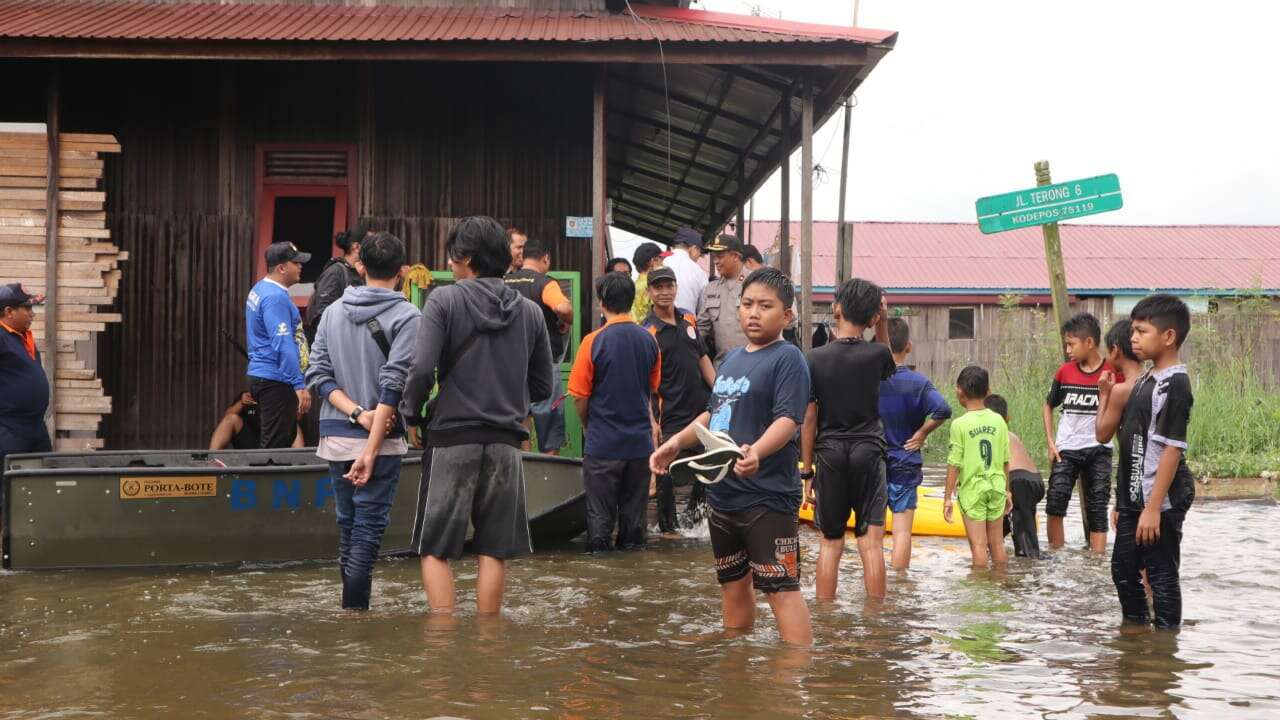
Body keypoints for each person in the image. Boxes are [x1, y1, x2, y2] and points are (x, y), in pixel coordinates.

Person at [650, 267, 813, 646]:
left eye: (766, 306)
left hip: (767, 497)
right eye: (747, 305)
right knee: (733, 586)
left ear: (787, 316)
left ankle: (795, 681)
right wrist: (676, 442)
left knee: (780, 589)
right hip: (724, 496)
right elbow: (714, 413)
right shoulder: (734, 359)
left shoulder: (788, 360)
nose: (754, 313)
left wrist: (757, 450)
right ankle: (736, 671)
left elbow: (789, 419)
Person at [401, 216, 553, 614]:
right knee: (494, 548)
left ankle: (443, 644)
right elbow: (542, 388)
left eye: (453, 258)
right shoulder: (531, 313)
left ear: (466, 258)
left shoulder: (444, 300)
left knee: (435, 547)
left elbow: (420, 370)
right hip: (505, 441)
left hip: (452, 436)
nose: (451, 265)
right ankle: (488, 642)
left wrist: (411, 415)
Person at [306, 232, 420, 610]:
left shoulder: (334, 312)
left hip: (336, 437)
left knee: (349, 529)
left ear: (359, 266)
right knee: (367, 534)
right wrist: (370, 425)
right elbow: (394, 384)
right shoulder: (407, 315)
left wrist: (354, 412)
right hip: (380, 441)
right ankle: (355, 615)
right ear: (403, 271)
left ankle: (350, 613)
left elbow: (319, 377)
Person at [1100, 296, 1195, 629]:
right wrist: (1122, 500)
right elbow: (1129, 441)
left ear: (1168, 337)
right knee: (1123, 570)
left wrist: (1154, 507)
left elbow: (1172, 448)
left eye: (1141, 331)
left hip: (1161, 495)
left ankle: (1165, 645)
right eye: (1132, 331)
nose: (1133, 338)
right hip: (1134, 495)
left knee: (1161, 572)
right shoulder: (1145, 380)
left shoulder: (1174, 383)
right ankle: (1136, 638)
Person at [799, 278, 893, 599]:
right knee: (871, 543)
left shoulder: (813, 358)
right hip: (869, 449)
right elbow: (887, 359)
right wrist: (882, 321)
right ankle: (876, 622)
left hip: (830, 452)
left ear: (837, 309)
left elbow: (809, 418)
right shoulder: (878, 354)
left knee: (830, 542)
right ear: (873, 318)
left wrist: (806, 470)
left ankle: (824, 620)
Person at [569, 272, 661, 552]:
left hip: (603, 445)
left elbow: (579, 397)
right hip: (639, 446)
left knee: (599, 522)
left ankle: (601, 583)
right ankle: (634, 576)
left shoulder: (592, 342)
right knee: (634, 524)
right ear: (632, 301)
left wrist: (588, 425)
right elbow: (652, 390)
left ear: (601, 302)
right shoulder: (649, 340)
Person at [642, 267, 716, 536]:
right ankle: (668, 529)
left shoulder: (688, 319)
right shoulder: (648, 331)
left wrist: (720, 392)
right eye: (658, 287)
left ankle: (695, 521)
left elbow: (703, 358)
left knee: (710, 465)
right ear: (650, 292)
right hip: (668, 411)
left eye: (669, 286)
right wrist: (651, 421)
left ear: (675, 287)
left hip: (700, 410)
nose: (664, 292)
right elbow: (643, 383)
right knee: (665, 471)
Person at [877, 317, 952, 570]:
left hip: (873, 460)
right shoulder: (918, 382)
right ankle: (899, 584)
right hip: (906, 461)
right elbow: (943, 409)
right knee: (901, 532)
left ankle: (874, 587)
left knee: (872, 533)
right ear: (908, 346)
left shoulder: (870, 380)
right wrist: (922, 433)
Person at [1042, 312, 1119, 553]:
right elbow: (1048, 405)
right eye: (1066, 344)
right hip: (1067, 449)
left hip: (1100, 449)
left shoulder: (1112, 373)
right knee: (1055, 504)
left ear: (1089, 342)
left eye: (1071, 343)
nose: (1067, 350)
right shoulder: (1064, 372)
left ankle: (1096, 561)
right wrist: (1051, 442)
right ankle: (1056, 557)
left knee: (1098, 507)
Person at [505, 241, 574, 455]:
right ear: (546, 259)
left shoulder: (504, 281)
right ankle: (548, 473)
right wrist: (566, 319)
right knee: (549, 424)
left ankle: (524, 468)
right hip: (542, 364)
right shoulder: (545, 282)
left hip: (508, 364)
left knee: (521, 418)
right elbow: (562, 307)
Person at [943, 365, 1012, 569]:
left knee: (979, 546)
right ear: (988, 391)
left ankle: (981, 591)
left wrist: (947, 498)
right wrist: (1007, 490)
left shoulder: (960, 424)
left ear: (959, 392)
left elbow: (954, 463)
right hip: (997, 487)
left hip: (973, 490)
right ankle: (1000, 583)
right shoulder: (999, 421)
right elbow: (1006, 460)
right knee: (997, 543)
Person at [246, 241, 313, 448]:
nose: (301, 266)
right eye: (296, 262)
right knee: (274, 448)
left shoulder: (261, 288)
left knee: (283, 436)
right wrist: (298, 384)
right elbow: (283, 343)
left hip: (269, 375)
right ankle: (265, 480)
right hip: (276, 379)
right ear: (282, 268)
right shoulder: (275, 298)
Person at [0, 284, 52, 504]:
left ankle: (36, 536)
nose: (32, 314)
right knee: (8, 493)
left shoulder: (23, 337)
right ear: (9, 311)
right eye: (27, 308)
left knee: (43, 484)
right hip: (10, 429)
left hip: (35, 427)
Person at [985, 394, 1045, 559]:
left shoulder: (992, 434)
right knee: (1006, 524)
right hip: (1035, 481)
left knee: (1026, 545)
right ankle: (991, 549)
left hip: (1018, 482)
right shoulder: (1011, 434)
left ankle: (1028, 567)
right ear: (1008, 418)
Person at [305, 226, 366, 341]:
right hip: (334, 344)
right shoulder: (335, 271)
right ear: (356, 247)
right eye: (370, 244)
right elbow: (322, 313)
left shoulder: (358, 273)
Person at [697, 234, 750, 367]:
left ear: (736, 256)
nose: (716, 261)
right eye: (714, 257)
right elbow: (702, 328)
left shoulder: (756, 282)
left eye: (720, 256)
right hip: (722, 367)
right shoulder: (711, 289)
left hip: (754, 364)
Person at [208, 392, 303, 450]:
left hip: (275, 441)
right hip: (250, 440)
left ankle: (299, 463)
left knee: (294, 425)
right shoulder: (248, 395)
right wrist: (241, 403)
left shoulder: (279, 393)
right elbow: (227, 417)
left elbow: (297, 417)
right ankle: (212, 459)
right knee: (231, 418)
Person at [664, 227, 708, 315]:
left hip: (658, 325)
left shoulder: (661, 264)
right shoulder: (699, 273)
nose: (699, 256)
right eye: (700, 252)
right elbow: (703, 311)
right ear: (694, 249)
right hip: (687, 325)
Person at [630, 242, 667, 323]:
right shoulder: (654, 284)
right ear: (653, 261)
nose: (663, 264)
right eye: (661, 259)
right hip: (649, 331)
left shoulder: (635, 284)